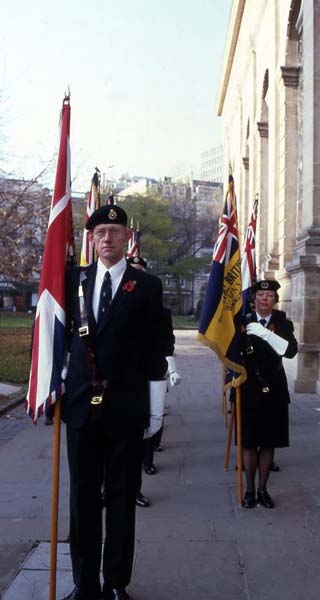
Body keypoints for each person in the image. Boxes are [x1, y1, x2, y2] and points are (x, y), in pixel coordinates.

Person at [61, 205, 167, 600]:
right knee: (82, 500)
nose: (107, 238)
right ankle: (84, 584)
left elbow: (156, 350)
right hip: (80, 410)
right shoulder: (74, 281)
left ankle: (117, 582)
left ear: (127, 238)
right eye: (101, 231)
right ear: (92, 238)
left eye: (115, 231)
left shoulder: (147, 287)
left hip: (125, 409)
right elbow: (59, 340)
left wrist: (156, 408)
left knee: (122, 500)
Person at [126, 256, 181, 507]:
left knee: (149, 426)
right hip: (121, 377)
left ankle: (140, 477)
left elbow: (166, 341)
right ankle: (109, 488)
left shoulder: (159, 310)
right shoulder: (117, 303)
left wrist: (172, 366)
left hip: (151, 373)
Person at [240, 279, 298, 509]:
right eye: (261, 296)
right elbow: (233, 354)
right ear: (254, 299)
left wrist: (266, 335)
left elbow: (291, 351)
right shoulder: (242, 321)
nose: (265, 299)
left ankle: (263, 489)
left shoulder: (282, 321)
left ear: (275, 300)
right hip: (248, 387)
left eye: (270, 296)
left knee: (268, 440)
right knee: (248, 441)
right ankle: (249, 490)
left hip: (274, 386)